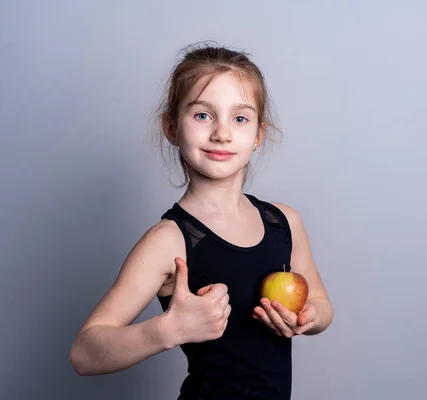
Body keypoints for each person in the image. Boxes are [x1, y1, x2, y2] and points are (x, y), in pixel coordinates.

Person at [69, 43, 334, 399]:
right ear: (171, 127)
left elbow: (320, 303)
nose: (222, 133)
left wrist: (308, 317)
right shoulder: (170, 240)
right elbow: (84, 354)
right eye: (203, 115)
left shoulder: (284, 222)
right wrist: (169, 329)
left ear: (258, 134)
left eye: (239, 118)